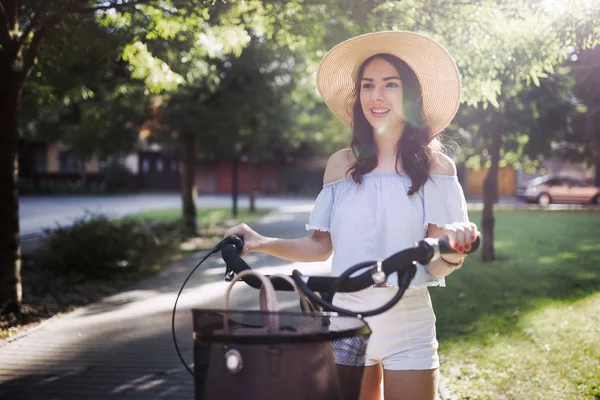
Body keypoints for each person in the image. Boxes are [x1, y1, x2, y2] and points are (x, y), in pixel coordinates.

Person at [224, 31, 479, 400]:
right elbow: (319, 246)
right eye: (368, 85)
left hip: (407, 322)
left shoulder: (436, 167)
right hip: (343, 318)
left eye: (390, 85)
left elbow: (435, 262)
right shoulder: (340, 164)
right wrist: (260, 242)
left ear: (410, 95)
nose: (377, 96)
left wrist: (453, 255)